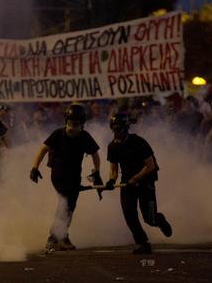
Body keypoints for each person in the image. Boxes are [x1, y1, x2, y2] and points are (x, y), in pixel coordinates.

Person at [30, 103, 102, 251]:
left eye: (76, 124)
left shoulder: (84, 137)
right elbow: (43, 149)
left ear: (82, 124)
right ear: (65, 122)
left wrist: (96, 172)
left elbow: (95, 154)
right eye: (70, 123)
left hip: (75, 176)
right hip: (58, 175)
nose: (72, 128)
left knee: (70, 207)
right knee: (64, 204)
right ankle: (53, 238)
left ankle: (62, 237)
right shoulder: (58, 134)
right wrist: (34, 167)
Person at [104, 113, 172, 254]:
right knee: (129, 214)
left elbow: (150, 166)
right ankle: (142, 243)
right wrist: (111, 180)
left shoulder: (139, 142)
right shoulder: (112, 147)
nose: (117, 133)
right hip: (127, 184)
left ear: (126, 128)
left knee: (150, 217)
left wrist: (135, 179)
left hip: (146, 183)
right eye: (115, 129)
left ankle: (160, 221)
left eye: (119, 129)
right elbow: (113, 168)